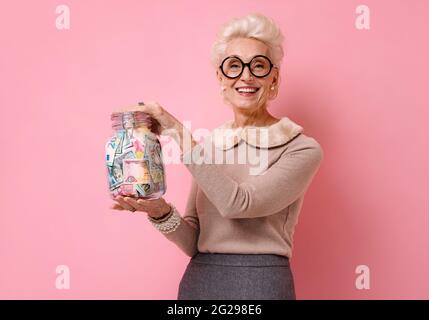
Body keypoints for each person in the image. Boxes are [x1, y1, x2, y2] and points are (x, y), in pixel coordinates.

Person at [111, 13, 324, 300]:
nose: (246, 76)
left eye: (258, 65)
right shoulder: (210, 145)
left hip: (261, 283)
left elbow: (238, 204)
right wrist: (158, 211)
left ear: (274, 77)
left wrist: (177, 130)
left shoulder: (301, 148)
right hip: (200, 280)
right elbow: (194, 240)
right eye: (234, 66)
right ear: (221, 77)